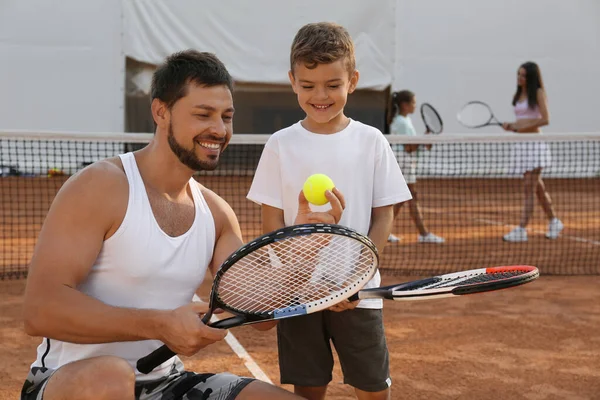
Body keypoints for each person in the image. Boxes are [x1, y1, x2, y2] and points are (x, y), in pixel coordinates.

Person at [20, 50, 326, 400]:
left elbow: (258, 313)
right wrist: (160, 324)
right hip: (71, 384)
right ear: (161, 111)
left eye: (227, 116)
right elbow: (39, 310)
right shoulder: (101, 186)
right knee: (110, 377)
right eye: (203, 114)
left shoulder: (217, 213)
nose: (219, 129)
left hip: (165, 383)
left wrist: (305, 249)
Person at [247, 22, 412, 400]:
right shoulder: (279, 145)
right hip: (295, 294)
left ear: (352, 81)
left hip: (358, 294)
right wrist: (297, 274)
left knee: (372, 387)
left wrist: (356, 278)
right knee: (308, 386)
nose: (320, 95)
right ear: (292, 81)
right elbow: (271, 224)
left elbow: (385, 213)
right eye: (307, 86)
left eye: (332, 85)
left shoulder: (371, 140)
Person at [501, 61, 563, 242]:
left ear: (531, 77)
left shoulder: (538, 93)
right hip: (522, 145)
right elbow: (521, 121)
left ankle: (521, 229)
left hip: (536, 145)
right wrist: (511, 126)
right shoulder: (519, 94)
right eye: (518, 75)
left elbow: (545, 119)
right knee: (537, 188)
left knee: (529, 188)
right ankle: (554, 221)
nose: (520, 78)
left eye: (523, 75)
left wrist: (521, 126)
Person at [387, 90, 444, 244]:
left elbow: (413, 145)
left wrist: (424, 139)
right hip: (403, 160)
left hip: (404, 161)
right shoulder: (401, 122)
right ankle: (424, 233)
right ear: (405, 105)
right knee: (409, 195)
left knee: (402, 198)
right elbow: (409, 147)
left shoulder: (404, 120)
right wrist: (423, 139)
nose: (415, 106)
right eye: (413, 103)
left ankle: (385, 230)